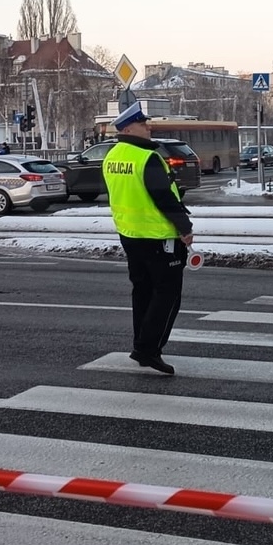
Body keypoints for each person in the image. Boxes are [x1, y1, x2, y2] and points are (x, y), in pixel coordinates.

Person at [102, 102, 194, 376]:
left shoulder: (113, 155)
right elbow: (163, 197)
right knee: (167, 294)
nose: (148, 128)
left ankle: (141, 345)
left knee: (142, 292)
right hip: (159, 236)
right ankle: (149, 349)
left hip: (130, 234)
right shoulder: (147, 158)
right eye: (143, 124)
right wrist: (184, 228)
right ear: (129, 129)